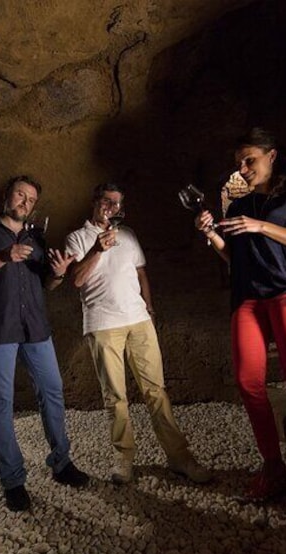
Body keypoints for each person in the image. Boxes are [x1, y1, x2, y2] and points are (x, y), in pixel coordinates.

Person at [195, 127, 286, 515]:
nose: (242, 167)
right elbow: (235, 260)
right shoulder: (238, 208)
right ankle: (273, 468)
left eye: (249, 159)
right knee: (247, 380)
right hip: (250, 296)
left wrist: (262, 226)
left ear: (272, 155)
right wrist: (212, 236)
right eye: (239, 162)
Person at [63, 183, 212, 485]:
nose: (112, 208)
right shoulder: (77, 238)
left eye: (117, 204)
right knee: (115, 397)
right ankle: (124, 459)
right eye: (107, 201)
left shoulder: (128, 235)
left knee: (156, 391)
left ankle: (180, 457)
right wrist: (97, 249)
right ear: (95, 202)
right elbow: (76, 280)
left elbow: (141, 272)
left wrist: (150, 309)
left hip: (139, 321)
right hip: (103, 325)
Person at [0, 175, 89, 512]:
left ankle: (61, 464)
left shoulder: (37, 237)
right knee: (1, 403)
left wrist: (58, 272)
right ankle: (13, 481)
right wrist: (3, 256)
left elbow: (49, 284)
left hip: (36, 329)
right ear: (7, 196)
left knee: (53, 392)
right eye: (20, 194)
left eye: (31, 199)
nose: (25, 202)